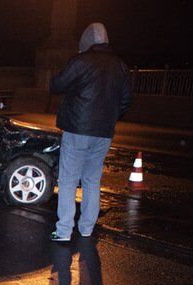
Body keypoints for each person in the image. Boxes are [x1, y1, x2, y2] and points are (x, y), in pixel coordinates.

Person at [48, 23, 132, 241]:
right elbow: (125, 101)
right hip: (104, 132)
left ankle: (64, 230)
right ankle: (86, 229)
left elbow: (56, 85)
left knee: (68, 179)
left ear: (85, 42)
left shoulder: (81, 61)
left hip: (78, 128)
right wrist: (109, 117)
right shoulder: (120, 66)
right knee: (92, 180)